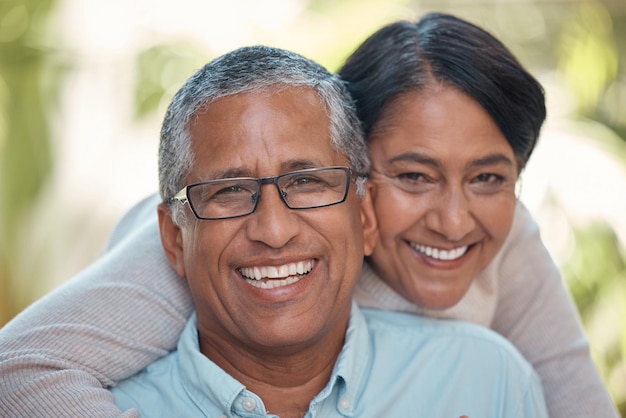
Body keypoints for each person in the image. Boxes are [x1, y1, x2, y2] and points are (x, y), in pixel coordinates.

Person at [0, 12, 617, 418]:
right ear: (364, 185)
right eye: (412, 176)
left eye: (487, 177)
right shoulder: (195, 246)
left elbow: (574, 395)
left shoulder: (501, 296)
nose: (453, 221)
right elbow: (22, 367)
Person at [114, 44, 548, 416]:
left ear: (364, 218)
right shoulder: (100, 407)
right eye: (230, 190)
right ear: (174, 238)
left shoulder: (487, 380)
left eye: (306, 182)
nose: (274, 229)